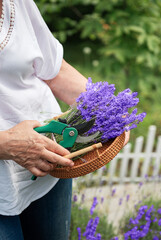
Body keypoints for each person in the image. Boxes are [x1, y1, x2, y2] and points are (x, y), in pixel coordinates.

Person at [0, 0, 130, 239]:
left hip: (51, 161)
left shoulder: (17, 4)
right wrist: (6, 143)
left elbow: (53, 70)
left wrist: (107, 110)